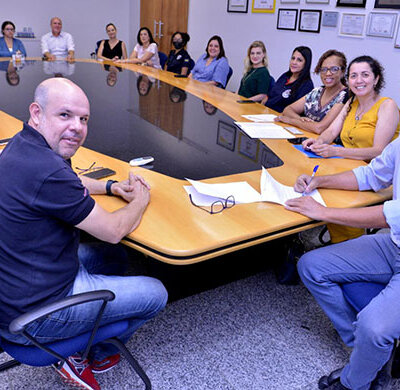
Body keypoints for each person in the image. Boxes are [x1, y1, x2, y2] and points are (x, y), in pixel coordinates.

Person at [0, 78, 168, 390]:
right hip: (35, 316)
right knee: (157, 293)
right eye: (65, 115)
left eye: (83, 119)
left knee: (114, 259)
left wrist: (111, 186)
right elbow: (115, 230)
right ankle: (91, 354)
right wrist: (141, 198)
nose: (77, 127)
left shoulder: (24, 146)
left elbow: (70, 179)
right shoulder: (46, 169)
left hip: (21, 282)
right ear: (37, 113)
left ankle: (80, 339)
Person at [285, 137, 400, 390]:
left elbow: (392, 215)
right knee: (311, 266)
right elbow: (371, 175)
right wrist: (319, 181)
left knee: (375, 328)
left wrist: (323, 212)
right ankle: (368, 355)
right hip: (394, 244)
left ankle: (354, 382)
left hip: (394, 233)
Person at [301, 56, 400, 244]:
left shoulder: (387, 106)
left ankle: (346, 245)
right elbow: (330, 132)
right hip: (345, 166)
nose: (359, 80)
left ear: (376, 79)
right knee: (310, 183)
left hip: (376, 176)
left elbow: (378, 151)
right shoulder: (351, 102)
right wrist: (318, 141)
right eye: (353, 76)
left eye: (365, 75)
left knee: (330, 197)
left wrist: (335, 151)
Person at [276, 50, 348, 134]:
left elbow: (319, 128)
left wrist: (290, 120)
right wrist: (300, 119)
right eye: (323, 69)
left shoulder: (345, 95)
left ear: (343, 72)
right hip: (304, 137)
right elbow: (288, 109)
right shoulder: (317, 91)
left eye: (334, 69)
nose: (328, 73)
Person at [261, 46, 313, 113]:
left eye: (299, 60)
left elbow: (295, 111)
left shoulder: (307, 85)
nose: (294, 62)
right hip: (266, 114)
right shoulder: (285, 76)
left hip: (281, 119)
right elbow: (268, 97)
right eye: (293, 58)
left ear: (306, 64)